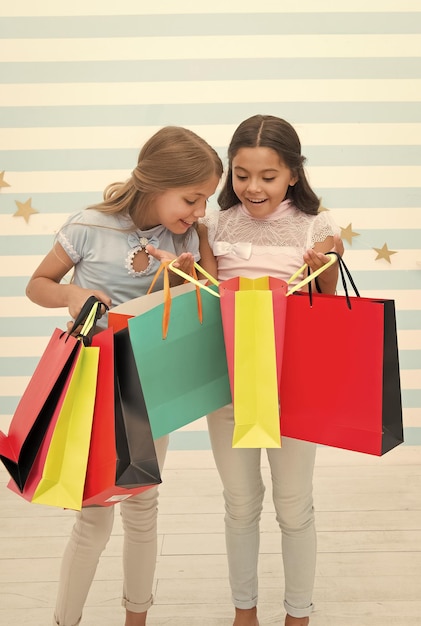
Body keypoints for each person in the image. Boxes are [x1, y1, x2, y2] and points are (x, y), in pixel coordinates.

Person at [25, 126, 223, 626]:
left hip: (152, 386)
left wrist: (195, 247)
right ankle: (65, 620)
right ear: (157, 183)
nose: (199, 210)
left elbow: (210, 298)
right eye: (193, 199)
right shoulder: (90, 226)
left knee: (143, 505)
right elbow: (38, 284)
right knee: (94, 515)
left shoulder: (183, 236)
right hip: (94, 386)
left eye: (206, 202)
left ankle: (137, 618)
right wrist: (72, 295)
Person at [198, 114, 344, 626]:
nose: (252, 187)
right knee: (239, 502)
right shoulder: (212, 225)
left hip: (293, 387)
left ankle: (298, 614)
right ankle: (245, 612)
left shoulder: (317, 225)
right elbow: (205, 300)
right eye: (241, 174)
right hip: (227, 383)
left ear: (293, 175)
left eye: (267, 176)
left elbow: (329, 306)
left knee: (294, 503)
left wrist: (320, 266)